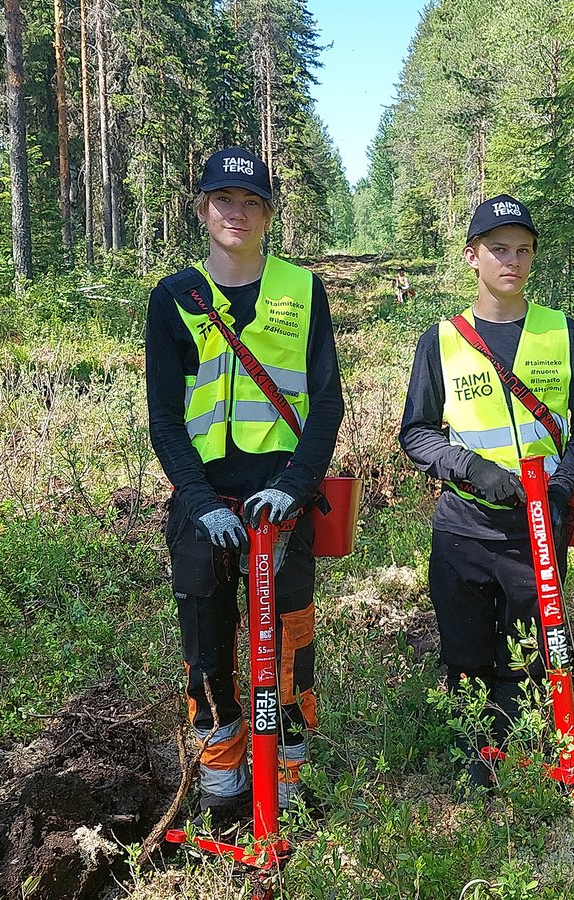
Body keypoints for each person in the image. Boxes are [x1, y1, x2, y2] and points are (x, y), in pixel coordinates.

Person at [145, 146, 344, 823]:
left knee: (288, 646)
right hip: (203, 503)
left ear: (268, 213)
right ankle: (223, 782)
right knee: (207, 647)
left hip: (281, 502)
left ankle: (285, 780)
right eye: (224, 199)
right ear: (202, 207)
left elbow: (326, 402)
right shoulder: (174, 299)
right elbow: (165, 418)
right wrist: (199, 501)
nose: (237, 211)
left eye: (251, 201)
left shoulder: (303, 290)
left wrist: (296, 485)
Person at [399, 194, 574, 786]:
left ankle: (518, 759)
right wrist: (470, 468)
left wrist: (560, 490)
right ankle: (474, 759)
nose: (511, 261)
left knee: (529, 650)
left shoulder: (565, 334)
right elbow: (416, 432)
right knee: (465, 653)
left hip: (537, 527)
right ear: (472, 256)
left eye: (522, 250)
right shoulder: (442, 340)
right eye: (498, 249)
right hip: (463, 525)